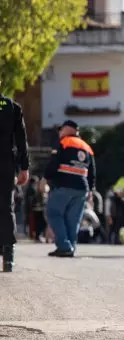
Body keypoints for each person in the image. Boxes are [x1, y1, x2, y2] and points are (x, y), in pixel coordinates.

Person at [43, 120, 96, 257]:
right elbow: (92, 172)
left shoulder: (63, 142)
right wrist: (91, 190)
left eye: (61, 129)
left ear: (67, 129)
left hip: (63, 185)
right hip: (82, 189)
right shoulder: (86, 146)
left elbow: (53, 164)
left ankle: (64, 246)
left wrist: (45, 178)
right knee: (73, 219)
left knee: (54, 214)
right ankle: (70, 246)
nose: (60, 132)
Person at [0, 90, 30, 272]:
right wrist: (24, 167)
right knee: (5, 207)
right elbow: (21, 140)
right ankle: (8, 255)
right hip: (6, 165)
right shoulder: (11, 107)